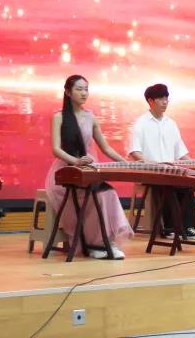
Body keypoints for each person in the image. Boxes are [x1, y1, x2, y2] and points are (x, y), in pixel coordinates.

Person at [44, 74, 132, 259]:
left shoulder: (90, 117)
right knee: (95, 197)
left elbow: (106, 148)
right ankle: (95, 245)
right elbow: (56, 149)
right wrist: (76, 161)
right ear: (68, 92)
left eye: (86, 89)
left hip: (87, 172)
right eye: (79, 89)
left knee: (108, 193)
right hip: (65, 173)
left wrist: (126, 162)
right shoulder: (59, 117)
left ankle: (104, 242)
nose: (84, 93)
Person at [127, 83, 195, 239]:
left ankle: (187, 227)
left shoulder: (171, 124)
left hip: (170, 171)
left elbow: (181, 152)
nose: (165, 102)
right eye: (161, 98)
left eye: (166, 98)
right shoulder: (140, 123)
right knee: (169, 184)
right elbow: (134, 151)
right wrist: (151, 165)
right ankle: (171, 228)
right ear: (150, 101)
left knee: (189, 184)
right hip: (150, 171)